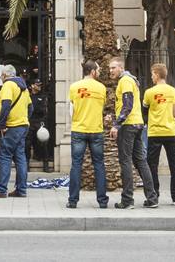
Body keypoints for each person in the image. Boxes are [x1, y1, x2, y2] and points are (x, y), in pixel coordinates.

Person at [106, 58, 157, 209]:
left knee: (126, 161)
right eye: (109, 68)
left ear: (121, 68)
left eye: (113, 67)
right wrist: (115, 117)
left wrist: (117, 124)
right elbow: (129, 105)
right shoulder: (129, 80)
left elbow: (127, 104)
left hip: (128, 126)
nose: (111, 71)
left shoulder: (125, 81)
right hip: (137, 124)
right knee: (140, 160)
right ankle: (152, 198)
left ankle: (127, 200)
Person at [66, 60, 108, 210]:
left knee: (76, 165)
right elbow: (101, 107)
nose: (99, 72)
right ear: (92, 71)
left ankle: (73, 200)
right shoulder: (101, 88)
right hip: (96, 130)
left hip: (78, 129)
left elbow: (71, 109)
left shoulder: (74, 87)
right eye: (98, 69)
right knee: (99, 165)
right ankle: (102, 201)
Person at [0, 64, 31, 199]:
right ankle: (21, 189)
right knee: (20, 157)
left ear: (6, 75)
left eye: (1, 75)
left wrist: (2, 125)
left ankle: (1, 189)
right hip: (23, 125)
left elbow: (6, 105)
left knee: (5, 155)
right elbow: (30, 108)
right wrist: (23, 119)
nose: (1, 77)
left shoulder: (8, 85)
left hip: (12, 126)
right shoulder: (23, 87)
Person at [143, 63, 175, 205]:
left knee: (152, 165)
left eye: (152, 74)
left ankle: (155, 195)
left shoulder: (149, 92)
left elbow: (145, 110)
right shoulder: (174, 91)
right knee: (174, 165)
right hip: (171, 132)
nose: (151, 77)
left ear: (157, 74)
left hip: (154, 132)